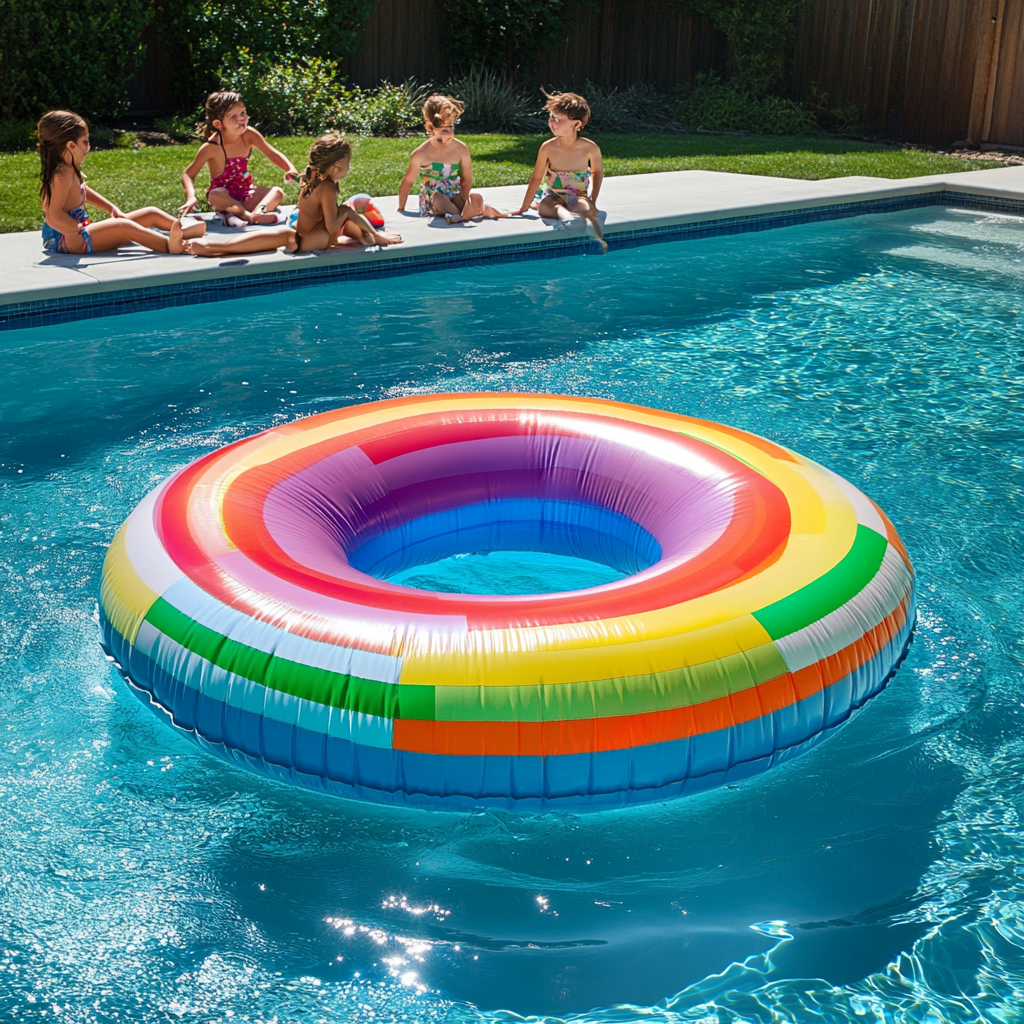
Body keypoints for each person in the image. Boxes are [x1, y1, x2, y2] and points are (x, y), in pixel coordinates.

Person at [37, 110, 205, 255]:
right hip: (68, 240)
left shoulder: (68, 169)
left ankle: (183, 229)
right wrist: (74, 230)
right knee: (124, 227)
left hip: (77, 233)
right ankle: (169, 246)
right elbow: (53, 215)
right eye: (85, 141)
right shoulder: (62, 174)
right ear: (71, 146)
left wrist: (111, 208)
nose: (88, 146)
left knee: (150, 213)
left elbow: (82, 191)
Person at [180, 91, 298, 226]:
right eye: (233, 117)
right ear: (218, 124)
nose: (241, 119)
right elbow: (188, 174)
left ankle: (258, 212)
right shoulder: (211, 147)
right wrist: (190, 196)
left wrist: (290, 168)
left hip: (246, 194)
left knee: (276, 192)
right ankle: (247, 217)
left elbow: (272, 154)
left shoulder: (249, 135)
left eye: (242, 113)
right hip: (225, 200)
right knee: (215, 194)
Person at [517, 90, 606, 251]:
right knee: (551, 207)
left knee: (585, 209)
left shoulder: (589, 148)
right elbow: (536, 178)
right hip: (552, 196)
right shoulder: (548, 147)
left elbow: (597, 173)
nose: (552, 122)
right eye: (551, 117)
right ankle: (567, 219)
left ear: (577, 124)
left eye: (557, 119)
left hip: (577, 196)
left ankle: (596, 239)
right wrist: (524, 206)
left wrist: (592, 199)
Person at [397, 95, 507, 222]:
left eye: (451, 128)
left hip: (454, 193)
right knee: (441, 199)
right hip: (433, 200)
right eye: (443, 131)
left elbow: (466, 179)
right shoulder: (421, 153)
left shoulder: (461, 149)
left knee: (475, 198)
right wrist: (401, 207)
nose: (449, 134)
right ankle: (463, 214)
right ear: (430, 128)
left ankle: (464, 213)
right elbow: (408, 182)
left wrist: (464, 198)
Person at [293, 134, 403, 251]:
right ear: (335, 167)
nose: (349, 167)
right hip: (315, 240)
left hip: (305, 238)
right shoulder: (327, 186)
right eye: (348, 163)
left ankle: (367, 237)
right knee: (346, 211)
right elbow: (332, 229)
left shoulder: (312, 177)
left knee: (349, 221)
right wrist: (346, 212)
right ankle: (375, 236)